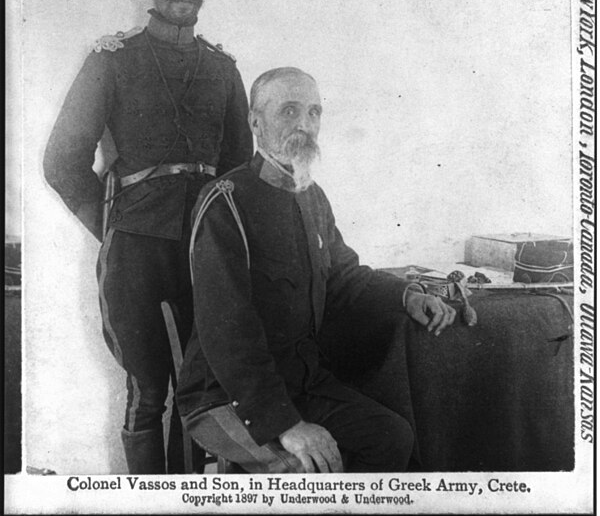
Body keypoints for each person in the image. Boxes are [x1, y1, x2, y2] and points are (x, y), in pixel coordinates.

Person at [43, 0, 253, 473]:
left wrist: (224, 242)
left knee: (207, 389)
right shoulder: (112, 60)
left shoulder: (224, 69)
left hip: (204, 254)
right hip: (134, 249)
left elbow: (237, 173)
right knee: (147, 391)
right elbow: (63, 159)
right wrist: (114, 226)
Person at [176, 67, 456, 473]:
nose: (305, 125)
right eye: (289, 111)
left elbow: (344, 277)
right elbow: (228, 331)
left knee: (393, 437)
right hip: (225, 395)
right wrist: (286, 424)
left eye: (314, 112)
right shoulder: (225, 204)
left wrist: (406, 296)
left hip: (300, 383)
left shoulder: (312, 197)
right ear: (256, 122)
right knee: (301, 469)